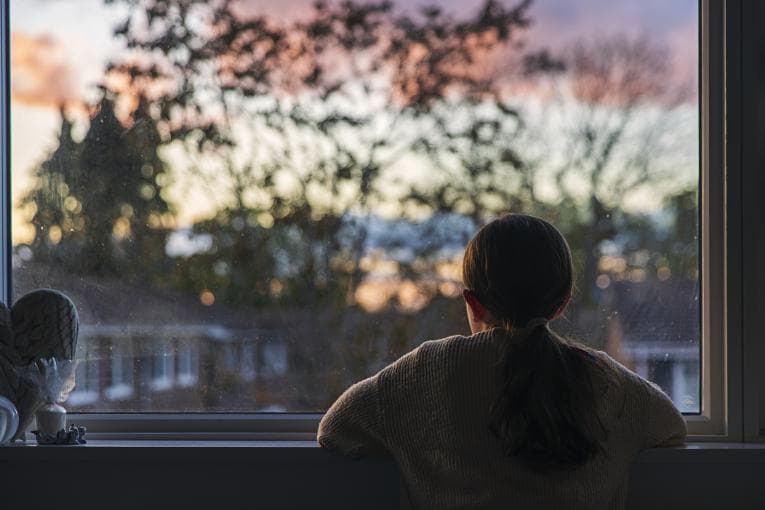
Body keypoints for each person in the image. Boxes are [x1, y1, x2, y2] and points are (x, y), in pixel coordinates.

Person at [317, 213, 687, 509]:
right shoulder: (604, 380)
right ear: (562, 303)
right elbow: (671, 428)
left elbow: (336, 428)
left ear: (473, 302)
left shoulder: (430, 370)